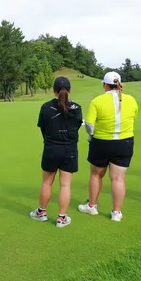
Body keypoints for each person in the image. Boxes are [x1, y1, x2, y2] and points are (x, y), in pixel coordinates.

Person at [77, 72, 139, 222]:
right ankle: (116, 213)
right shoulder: (131, 100)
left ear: (105, 85)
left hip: (101, 142)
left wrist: (91, 135)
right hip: (125, 143)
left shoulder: (97, 101)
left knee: (96, 175)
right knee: (118, 178)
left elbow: (89, 124)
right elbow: (133, 116)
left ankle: (92, 206)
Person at [29, 76, 83, 228]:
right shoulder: (77, 108)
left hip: (51, 148)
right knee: (65, 185)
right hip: (70, 149)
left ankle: (41, 213)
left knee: (47, 182)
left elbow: (43, 128)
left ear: (54, 91)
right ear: (70, 90)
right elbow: (77, 127)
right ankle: (61, 218)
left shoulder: (46, 107)